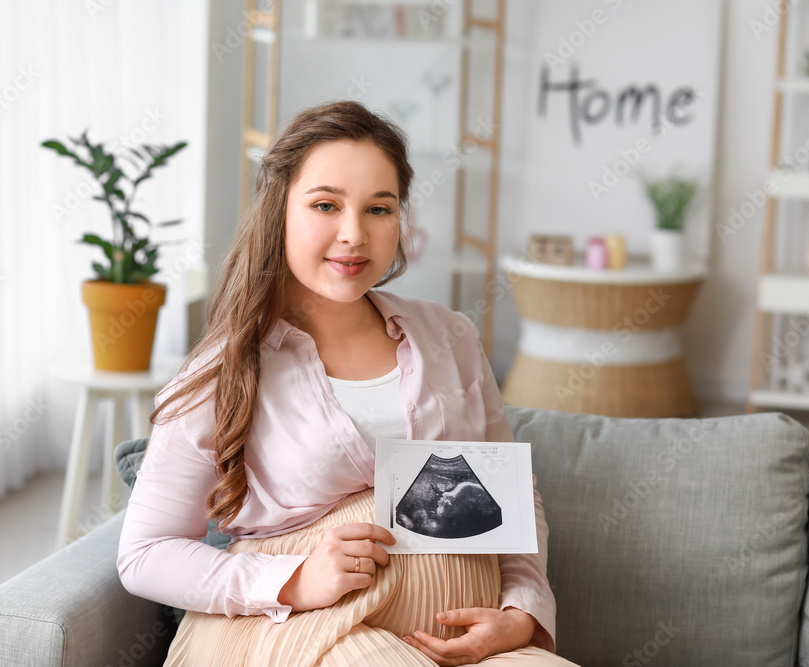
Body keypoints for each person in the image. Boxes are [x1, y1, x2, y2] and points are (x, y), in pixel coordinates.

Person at [117, 100, 576, 667]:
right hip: (290, 631)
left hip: (455, 644)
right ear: (279, 211)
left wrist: (520, 614)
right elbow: (144, 554)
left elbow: (512, 494)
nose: (354, 234)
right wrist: (294, 579)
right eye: (326, 205)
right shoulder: (225, 368)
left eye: (379, 209)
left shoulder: (449, 337)